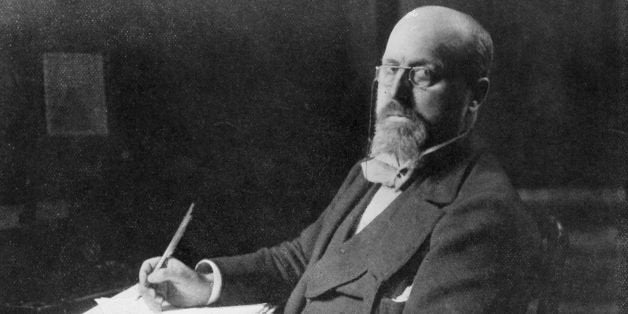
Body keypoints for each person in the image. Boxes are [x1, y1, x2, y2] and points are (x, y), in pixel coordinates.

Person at [139, 6, 542, 313]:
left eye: (421, 75)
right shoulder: (374, 168)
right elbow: (301, 259)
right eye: (389, 69)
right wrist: (204, 284)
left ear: (476, 94)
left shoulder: (484, 215)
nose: (396, 92)